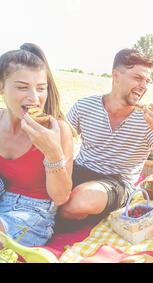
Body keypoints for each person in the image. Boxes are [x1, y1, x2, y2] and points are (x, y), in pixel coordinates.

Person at [57, 49, 153, 230]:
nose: (143, 86)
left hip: (117, 183)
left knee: (79, 202)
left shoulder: (147, 119)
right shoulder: (84, 106)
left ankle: (51, 220)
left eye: (147, 81)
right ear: (116, 76)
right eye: (137, 78)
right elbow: (61, 139)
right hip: (79, 169)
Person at [0, 43, 73, 246]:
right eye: (23, 87)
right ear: (1, 86)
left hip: (34, 213)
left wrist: (52, 152)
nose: (34, 98)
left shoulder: (57, 130)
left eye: (41, 89)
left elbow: (60, 197)